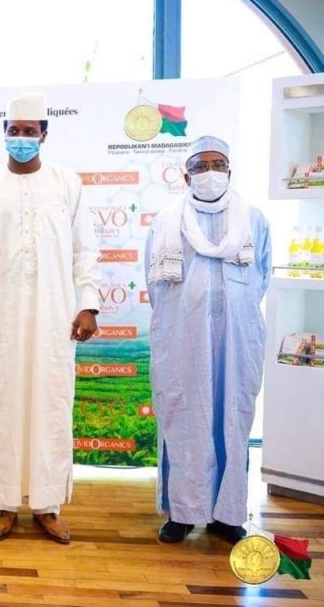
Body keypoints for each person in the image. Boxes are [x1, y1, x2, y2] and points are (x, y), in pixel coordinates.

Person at [0, 92, 100, 544]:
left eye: (29, 131)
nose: (21, 138)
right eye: (14, 131)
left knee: (51, 405)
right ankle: (3, 503)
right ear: (4, 134)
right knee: (2, 406)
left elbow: (85, 249)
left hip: (55, 316)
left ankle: (47, 504)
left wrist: (88, 303)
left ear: (44, 135)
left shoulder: (67, 184)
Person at [145, 135, 271, 545]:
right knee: (184, 417)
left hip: (237, 339)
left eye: (217, 165)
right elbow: (154, 283)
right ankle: (183, 513)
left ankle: (227, 515)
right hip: (183, 339)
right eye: (200, 166)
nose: (209, 173)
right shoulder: (166, 222)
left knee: (232, 419)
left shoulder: (254, 220)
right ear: (186, 176)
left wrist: (228, 313)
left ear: (230, 171)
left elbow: (262, 276)